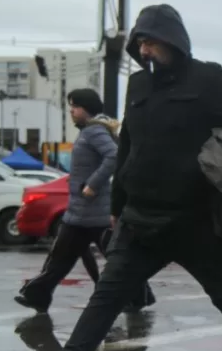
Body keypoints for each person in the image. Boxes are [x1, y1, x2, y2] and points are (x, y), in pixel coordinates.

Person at [2, 3, 222, 351]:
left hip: (195, 221)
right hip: (140, 219)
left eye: (150, 41)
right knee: (105, 298)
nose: (144, 50)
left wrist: (212, 168)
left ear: (173, 39)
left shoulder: (210, 79)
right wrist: (118, 206)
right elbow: (128, 144)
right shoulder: (138, 86)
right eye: (139, 43)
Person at [15, 88, 154, 314]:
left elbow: (113, 155)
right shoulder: (90, 131)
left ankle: (38, 295)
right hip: (83, 211)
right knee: (65, 258)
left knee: (65, 258)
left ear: (87, 108)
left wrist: (92, 184)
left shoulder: (94, 131)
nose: (72, 111)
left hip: (90, 212)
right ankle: (137, 297)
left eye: (75, 106)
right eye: (71, 106)